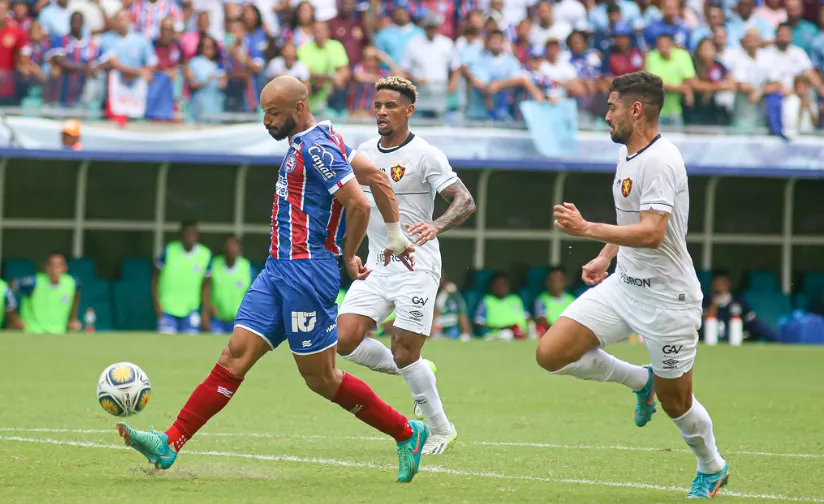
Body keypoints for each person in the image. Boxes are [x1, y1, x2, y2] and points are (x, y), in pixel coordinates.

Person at [116, 75, 430, 484]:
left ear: (298, 108)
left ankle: (408, 432)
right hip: (277, 269)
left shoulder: (316, 147)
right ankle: (169, 442)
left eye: (273, 113)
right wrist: (394, 234)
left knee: (321, 378)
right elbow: (377, 177)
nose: (266, 120)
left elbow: (357, 203)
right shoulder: (318, 139)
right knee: (235, 355)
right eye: (264, 112)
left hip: (306, 273)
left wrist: (349, 253)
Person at [536, 71, 729, 499]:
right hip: (625, 285)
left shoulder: (661, 160)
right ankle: (639, 381)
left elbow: (652, 232)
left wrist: (585, 228)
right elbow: (630, 221)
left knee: (677, 403)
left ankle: (711, 465)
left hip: (668, 299)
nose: (606, 115)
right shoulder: (628, 154)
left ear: (636, 110)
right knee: (550, 353)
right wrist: (605, 256)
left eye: (611, 107)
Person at [336, 76, 475, 456]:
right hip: (377, 263)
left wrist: (436, 225)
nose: (381, 112)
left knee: (403, 351)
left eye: (390, 106)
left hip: (416, 265)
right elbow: (353, 204)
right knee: (344, 339)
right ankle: (419, 372)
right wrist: (350, 250)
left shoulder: (426, 154)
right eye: (378, 105)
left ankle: (441, 429)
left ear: (408, 111)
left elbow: (464, 200)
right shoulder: (364, 151)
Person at [152, 220, 212, 335]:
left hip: (191, 310)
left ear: (197, 236)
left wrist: (205, 312)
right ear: (181, 235)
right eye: (187, 233)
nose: (190, 237)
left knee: (190, 347)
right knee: (165, 346)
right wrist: (157, 303)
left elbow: (206, 286)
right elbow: (155, 278)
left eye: (193, 233)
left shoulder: (205, 255)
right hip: (167, 309)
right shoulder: (168, 251)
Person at [702, 270, 777, 342]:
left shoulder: (738, 300)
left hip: (738, 336)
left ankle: (780, 340)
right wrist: (715, 302)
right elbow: (704, 319)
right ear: (712, 284)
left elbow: (753, 322)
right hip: (713, 336)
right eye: (717, 282)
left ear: (729, 283)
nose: (720, 285)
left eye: (723, 282)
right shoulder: (705, 300)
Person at [16, 252, 81, 334]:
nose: (55, 269)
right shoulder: (32, 282)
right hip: (33, 332)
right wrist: (16, 320)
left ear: (65, 267)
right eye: (52, 265)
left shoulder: (73, 283)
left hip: (59, 333)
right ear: (46, 267)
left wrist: (72, 318)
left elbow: (76, 296)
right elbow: (7, 291)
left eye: (59, 265)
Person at [208, 235, 254, 335]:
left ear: (239, 248)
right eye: (228, 245)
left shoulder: (247, 267)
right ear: (224, 248)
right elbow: (206, 286)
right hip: (217, 319)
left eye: (234, 246)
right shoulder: (214, 264)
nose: (231, 249)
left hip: (239, 322)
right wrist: (208, 306)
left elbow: (255, 294)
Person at [533, 267, 576, 335]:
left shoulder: (572, 300)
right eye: (553, 280)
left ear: (564, 282)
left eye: (559, 280)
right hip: (550, 334)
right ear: (547, 282)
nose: (556, 283)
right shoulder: (541, 300)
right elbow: (542, 321)